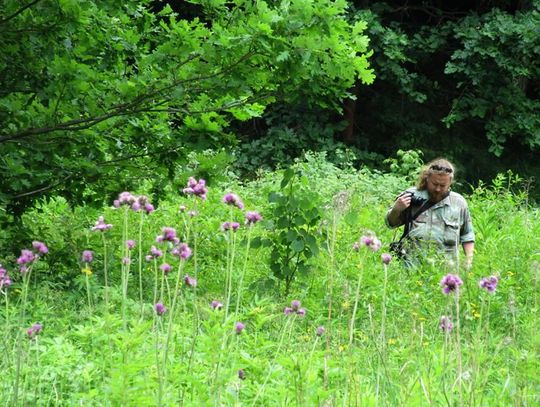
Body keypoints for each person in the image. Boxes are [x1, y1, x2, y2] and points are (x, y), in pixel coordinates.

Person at [385, 158, 475, 268]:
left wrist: (468, 261)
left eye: (443, 186)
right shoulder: (411, 196)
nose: (438, 189)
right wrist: (396, 209)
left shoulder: (459, 203)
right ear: (427, 178)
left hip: (445, 273)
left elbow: (467, 235)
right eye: (434, 184)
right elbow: (391, 223)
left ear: (450, 182)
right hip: (412, 269)